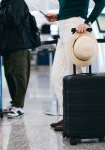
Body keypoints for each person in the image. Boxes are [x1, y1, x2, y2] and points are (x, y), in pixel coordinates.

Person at [45, 0, 105, 131]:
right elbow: (69, 7)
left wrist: (88, 22)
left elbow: (101, 2)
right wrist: (57, 16)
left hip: (75, 26)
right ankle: (68, 116)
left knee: (75, 77)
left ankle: (77, 118)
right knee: (57, 76)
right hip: (63, 28)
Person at [0, 0, 40, 118]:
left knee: (18, 77)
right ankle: (14, 103)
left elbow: (14, 21)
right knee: (10, 76)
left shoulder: (17, 2)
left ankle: (19, 106)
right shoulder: (5, 5)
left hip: (19, 46)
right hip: (8, 48)